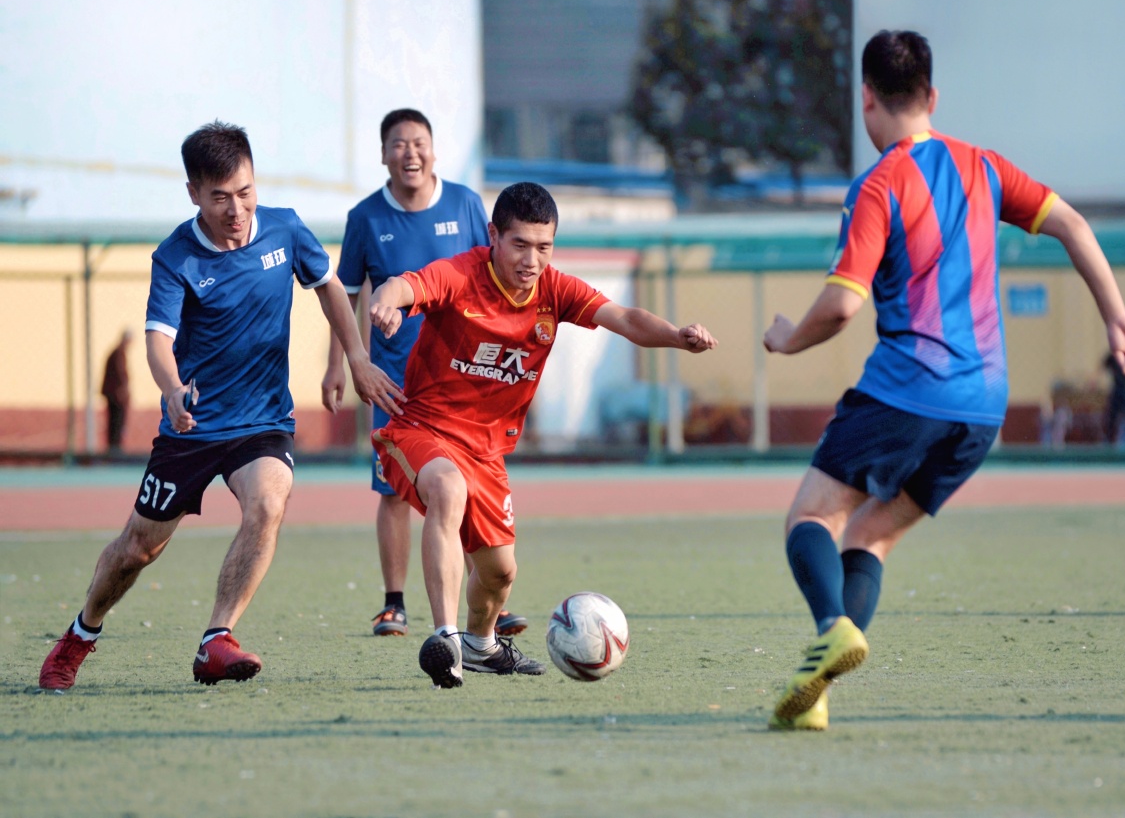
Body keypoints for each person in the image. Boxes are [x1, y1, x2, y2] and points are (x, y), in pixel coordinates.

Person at [762, 30, 1125, 731]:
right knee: (870, 537)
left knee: (809, 518)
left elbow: (841, 304)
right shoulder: (982, 167)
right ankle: (817, 690)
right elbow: (1070, 222)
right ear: (932, 96)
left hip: (906, 389)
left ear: (866, 99)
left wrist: (786, 339)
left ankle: (832, 625)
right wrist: (1117, 314)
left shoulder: (879, 185)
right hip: (983, 407)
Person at [39, 121, 401, 691]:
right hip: (192, 426)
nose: (236, 209)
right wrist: (172, 388)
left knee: (270, 499)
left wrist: (354, 356)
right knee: (137, 549)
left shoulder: (285, 230)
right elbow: (158, 339)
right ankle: (81, 634)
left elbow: (330, 285)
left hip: (261, 423)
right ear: (193, 194)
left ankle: (217, 638)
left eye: (245, 192)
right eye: (220, 197)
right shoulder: (176, 256)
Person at [368, 182, 718, 688]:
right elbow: (406, 285)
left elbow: (624, 318)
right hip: (422, 428)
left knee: (499, 574)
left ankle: (480, 646)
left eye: (544, 246)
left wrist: (675, 337)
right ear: (494, 236)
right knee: (447, 489)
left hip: (486, 451)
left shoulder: (554, 290)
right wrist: (386, 301)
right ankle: (444, 639)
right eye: (520, 244)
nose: (532, 259)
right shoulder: (462, 275)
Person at [322, 108, 528, 639]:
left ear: (434, 150)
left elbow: (495, 277)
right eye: (397, 144)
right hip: (394, 381)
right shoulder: (365, 218)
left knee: (465, 487)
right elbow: (342, 297)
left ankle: (489, 603)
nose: (409, 153)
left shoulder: (465, 204)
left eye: (418, 143)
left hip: (464, 381)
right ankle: (394, 604)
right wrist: (339, 365)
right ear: (383, 154)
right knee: (391, 492)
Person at [101, 328, 134, 455]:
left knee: (115, 422)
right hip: (116, 396)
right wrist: (123, 392)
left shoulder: (117, 352)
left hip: (114, 394)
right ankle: (114, 450)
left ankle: (114, 449)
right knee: (116, 422)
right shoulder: (119, 353)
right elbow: (121, 375)